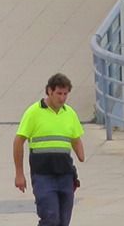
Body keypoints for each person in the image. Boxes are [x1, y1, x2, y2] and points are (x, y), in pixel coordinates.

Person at [13, 72, 85, 225]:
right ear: (49, 91)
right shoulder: (34, 112)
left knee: (63, 220)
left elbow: (75, 137)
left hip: (65, 174)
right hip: (43, 175)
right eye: (59, 93)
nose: (62, 98)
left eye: (65, 94)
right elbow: (18, 141)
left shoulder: (69, 113)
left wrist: (80, 153)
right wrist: (19, 173)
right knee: (50, 217)